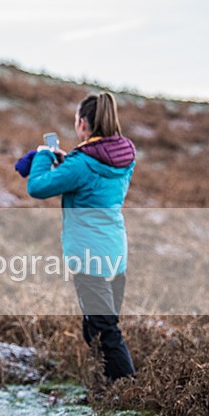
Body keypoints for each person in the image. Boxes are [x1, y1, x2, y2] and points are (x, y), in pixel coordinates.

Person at [20, 91, 136, 381]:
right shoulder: (124, 155)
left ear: (83, 124)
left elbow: (37, 186)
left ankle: (129, 392)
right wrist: (68, 161)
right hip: (116, 253)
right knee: (97, 327)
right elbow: (89, 175)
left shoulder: (82, 163)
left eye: (76, 120)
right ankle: (103, 389)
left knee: (105, 331)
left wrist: (44, 156)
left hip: (89, 258)